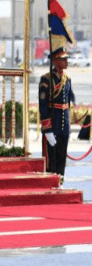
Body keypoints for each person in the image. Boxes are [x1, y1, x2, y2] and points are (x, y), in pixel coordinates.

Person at [39, 47, 75, 178]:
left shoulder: (67, 79)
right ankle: (51, 184)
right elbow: (43, 105)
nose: (66, 62)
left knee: (61, 158)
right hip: (53, 124)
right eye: (63, 59)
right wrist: (47, 129)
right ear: (56, 61)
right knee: (51, 159)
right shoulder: (47, 79)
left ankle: (60, 182)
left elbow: (69, 100)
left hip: (63, 125)